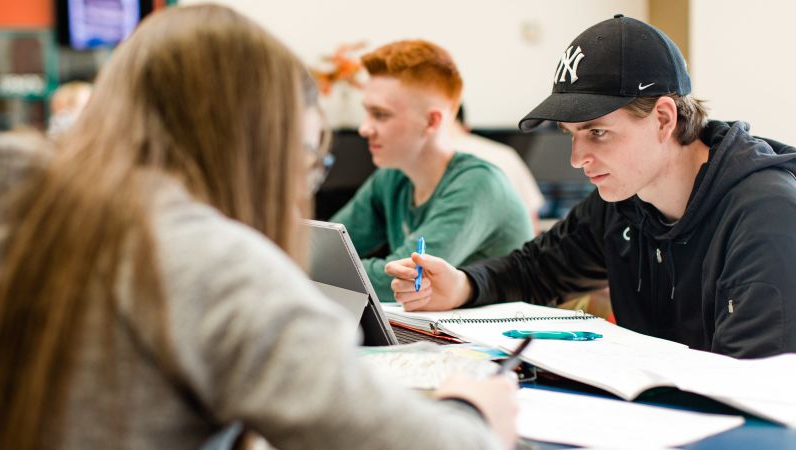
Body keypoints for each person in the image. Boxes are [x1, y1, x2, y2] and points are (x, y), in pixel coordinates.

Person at [0, 5, 519, 450]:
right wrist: (471, 409)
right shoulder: (214, 264)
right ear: (257, 148)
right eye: (306, 157)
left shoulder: (1, 184)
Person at [385, 14, 796, 359]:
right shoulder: (624, 199)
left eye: (597, 132)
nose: (576, 158)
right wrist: (464, 285)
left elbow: (756, 391)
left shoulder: (768, 215)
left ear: (664, 119)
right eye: (570, 134)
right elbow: (537, 269)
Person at [330, 40, 534, 303]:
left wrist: (328, 269)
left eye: (380, 115)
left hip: (501, 338)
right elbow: (327, 252)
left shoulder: (477, 183)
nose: (364, 129)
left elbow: (400, 282)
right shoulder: (391, 177)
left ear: (431, 121)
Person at [451, 104, 545, 233]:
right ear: (467, 127)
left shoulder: (427, 156)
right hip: (516, 249)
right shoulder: (505, 154)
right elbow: (532, 222)